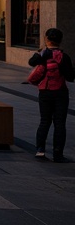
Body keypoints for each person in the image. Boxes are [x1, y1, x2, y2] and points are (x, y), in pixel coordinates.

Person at [25, 27, 74, 163]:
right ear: (61, 40)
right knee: (60, 123)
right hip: (60, 92)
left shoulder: (43, 54)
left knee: (44, 121)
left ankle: (40, 150)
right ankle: (58, 154)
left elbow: (31, 63)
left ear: (46, 39)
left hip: (45, 91)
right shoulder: (64, 57)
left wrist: (42, 52)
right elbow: (70, 77)